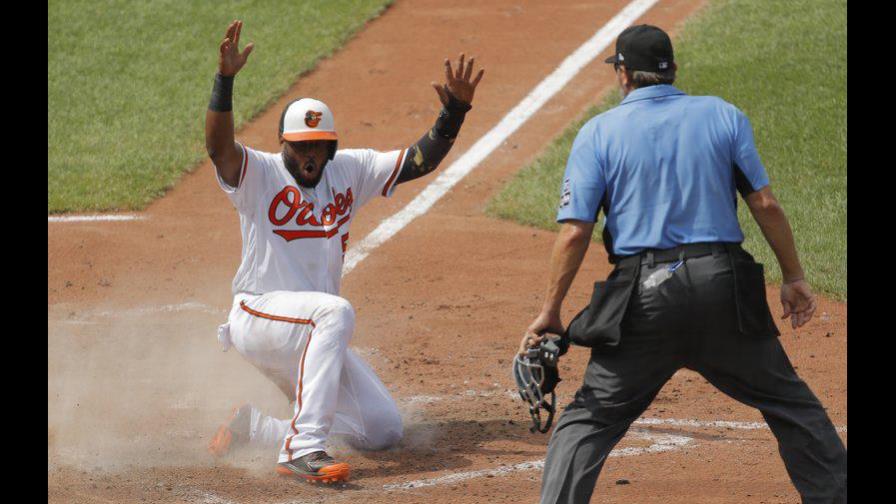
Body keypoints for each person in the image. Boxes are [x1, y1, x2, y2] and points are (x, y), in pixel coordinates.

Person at [520, 24, 846, 504]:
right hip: (722, 290)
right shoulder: (723, 115)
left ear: (623, 75)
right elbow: (766, 205)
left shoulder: (598, 133)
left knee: (587, 420)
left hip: (644, 301)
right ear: (673, 70)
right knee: (790, 404)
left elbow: (575, 232)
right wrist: (794, 276)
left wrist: (551, 311)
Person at [204, 20, 484, 483]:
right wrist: (225, 80)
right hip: (258, 316)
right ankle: (301, 449)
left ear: (332, 146)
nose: (310, 155)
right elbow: (218, 148)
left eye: (319, 145)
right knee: (335, 312)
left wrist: (454, 113)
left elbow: (420, 159)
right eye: (300, 147)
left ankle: (257, 427)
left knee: (382, 428)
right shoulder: (260, 173)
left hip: (308, 330)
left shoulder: (349, 171)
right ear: (284, 146)